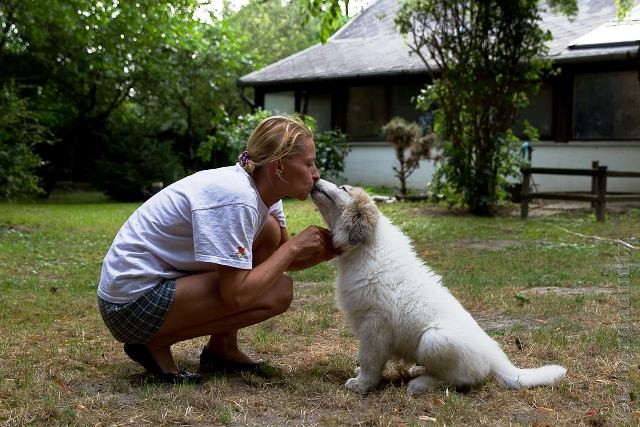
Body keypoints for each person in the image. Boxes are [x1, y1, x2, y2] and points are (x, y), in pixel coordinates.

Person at [97, 115, 340, 383]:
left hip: (155, 285)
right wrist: (294, 247)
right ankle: (152, 343)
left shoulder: (265, 194)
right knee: (278, 292)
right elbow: (236, 294)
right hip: (129, 304)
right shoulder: (238, 199)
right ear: (278, 167)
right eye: (308, 163)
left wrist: (336, 247)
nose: (316, 174)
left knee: (269, 233)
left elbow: (281, 259)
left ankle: (223, 348)